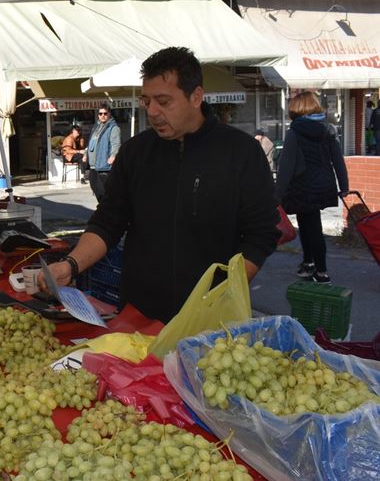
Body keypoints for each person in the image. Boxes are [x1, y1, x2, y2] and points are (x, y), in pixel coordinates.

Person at [39, 47, 279, 324]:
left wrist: (224, 293)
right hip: (140, 314)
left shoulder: (241, 152)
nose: (152, 111)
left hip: (215, 317)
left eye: (163, 101)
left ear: (196, 97)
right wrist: (71, 265)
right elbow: (108, 222)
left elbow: (261, 234)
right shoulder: (135, 153)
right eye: (146, 100)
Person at [276, 91, 349, 284]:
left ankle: (322, 272)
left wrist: (277, 194)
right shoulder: (328, 130)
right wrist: (344, 185)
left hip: (302, 186)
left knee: (312, 227)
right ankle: (308, 263)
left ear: (296, 109)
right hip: (324, 184)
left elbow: (286, 166)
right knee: (308, 223)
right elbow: (338, 160)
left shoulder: (294, 132)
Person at [86, 104, 123, 201]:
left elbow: (116, 144)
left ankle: (107, 210)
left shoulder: (113, 128)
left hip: (104, 166)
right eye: (100, 113)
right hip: (93, 167)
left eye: (105, 113)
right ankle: (103, 208)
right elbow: (91, 142)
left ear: (109, 114)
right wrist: (86, 153)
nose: (102, 115)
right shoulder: (96, 127)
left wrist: (113, 155)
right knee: (97, 191)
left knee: (105, 194)